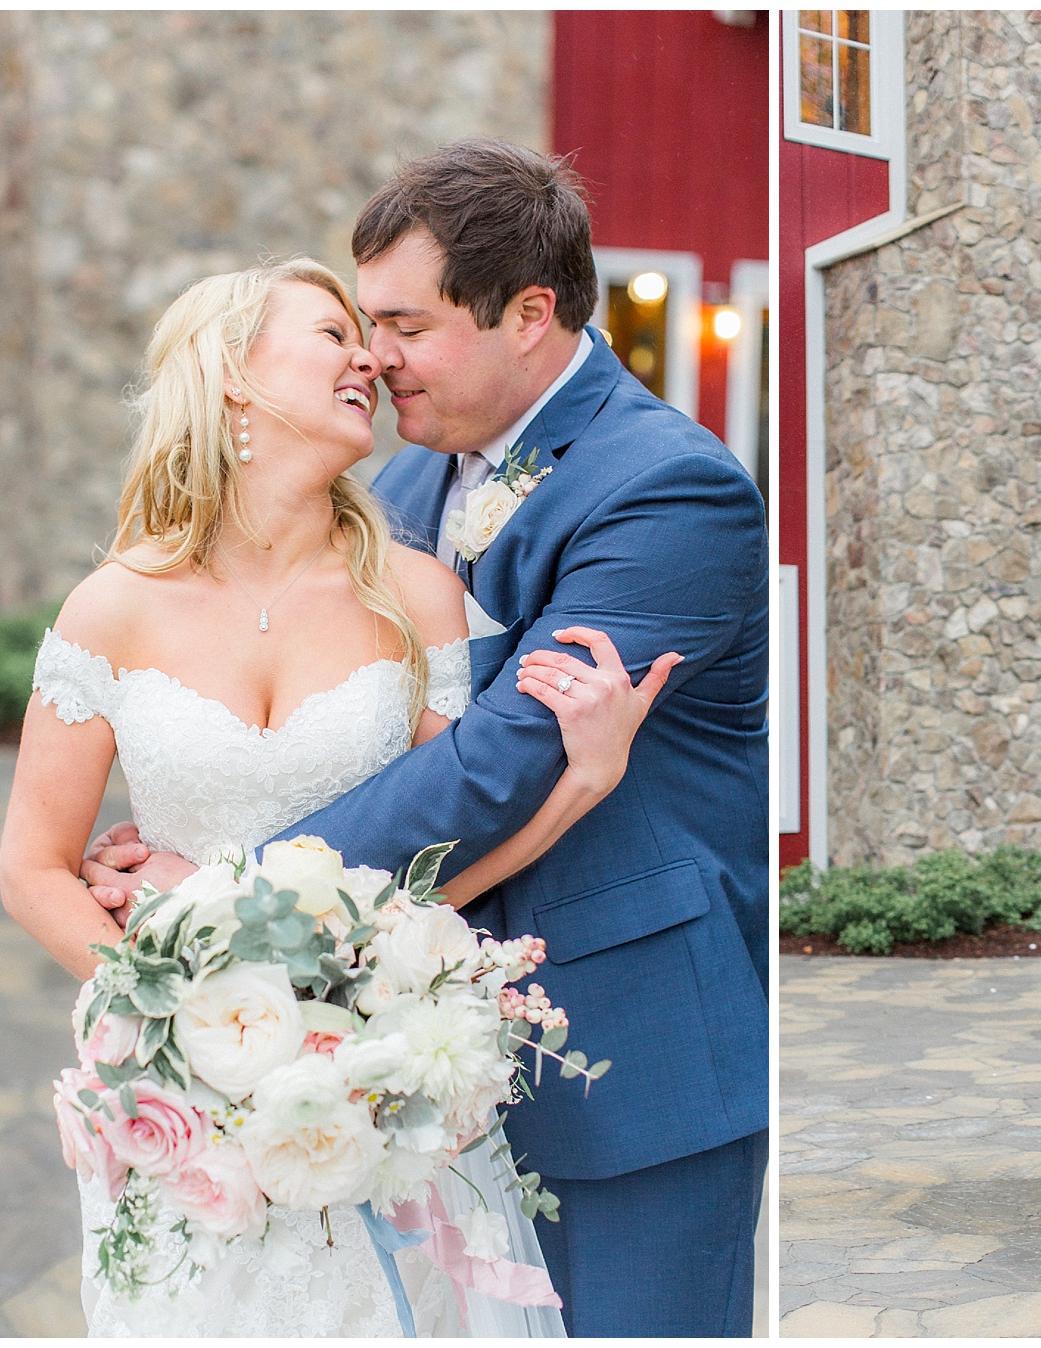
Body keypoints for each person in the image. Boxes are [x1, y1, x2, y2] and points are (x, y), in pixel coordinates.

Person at [78, 140, 769, 1337]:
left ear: (530, 315)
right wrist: (192, 812)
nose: (374, 356)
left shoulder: (669, 488)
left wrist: (230, 888)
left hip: (624, 1054)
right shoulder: (397, 492)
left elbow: (504, 759)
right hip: (401, 1063)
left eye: (406, 324)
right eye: (362, 325)